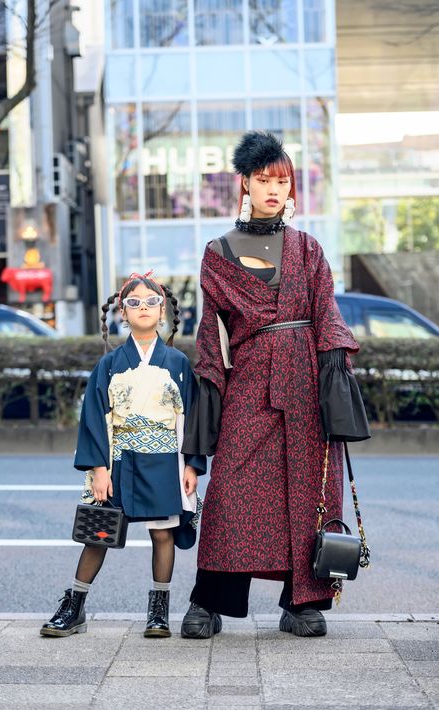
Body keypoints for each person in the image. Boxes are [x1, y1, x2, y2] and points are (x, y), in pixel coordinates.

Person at [180, 131, 370, 639]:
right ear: (244, 183)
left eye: (281, 180)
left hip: (307, 385)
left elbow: (327, 315)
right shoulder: (217, 252)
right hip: (249, 387)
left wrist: (336, 385)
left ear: (292, 189)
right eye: (263, 179)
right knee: (233, 492)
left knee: (309, 494)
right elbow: (211, 338)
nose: (272, 189)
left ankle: (302, 604)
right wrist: (203, 425)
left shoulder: (308, 248)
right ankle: (209, 601)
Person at [40, 271, 206, 639]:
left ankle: (159, 611)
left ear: (162, 311)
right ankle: (75, 605)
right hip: (118, 460)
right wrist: (99, 468)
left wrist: (192, 464)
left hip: (165, 459)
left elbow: (190, 418)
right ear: (122, 313)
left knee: (163, 535)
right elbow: (94, 419)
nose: (142, 307)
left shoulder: (178, 363)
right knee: (98, 534)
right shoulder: (109, 364)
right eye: (134, 303)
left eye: (151, 302)